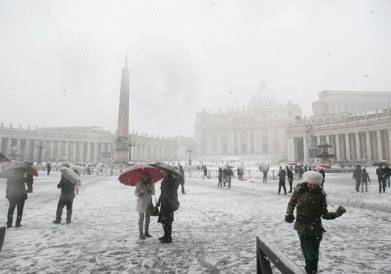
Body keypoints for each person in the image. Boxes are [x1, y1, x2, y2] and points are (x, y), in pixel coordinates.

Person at [285, 171, 346, 274]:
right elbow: (291, 203)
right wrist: (289, 214)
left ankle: (313, 271)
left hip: (316, 228)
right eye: (310, 184)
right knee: (309, 256)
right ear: (307, 182)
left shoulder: (321, 195)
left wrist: (337, 214)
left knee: (315, 254)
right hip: (302, 227)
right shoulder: (299, 191)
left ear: (318, 184)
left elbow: (324, 214)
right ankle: (310, 271)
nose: (312, 186)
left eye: (315, 185)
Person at [157, 171, 178, 243]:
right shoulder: (164, 180)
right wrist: (159, 201)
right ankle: (165, 235)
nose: (164, 173)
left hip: (169, 203)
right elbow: (162, 192)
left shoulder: (173, 180)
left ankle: (169, 237)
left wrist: (167, 190)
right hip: (164, 202)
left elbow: (174, 191)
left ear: (168, 173)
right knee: (163, 220)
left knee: (168, 221)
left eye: (165, 172)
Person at [135, 171, 155, 240]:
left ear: (148, 176)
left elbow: (153, 192)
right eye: (143, 176)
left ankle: (146, 232)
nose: (144, 177)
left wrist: (151, 191)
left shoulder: (152, 183)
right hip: (141, 202)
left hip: (148, 202)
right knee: (141, 218)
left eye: (145, 176)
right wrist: (139, 194)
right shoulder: (139, 183)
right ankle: (141, 234)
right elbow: (136, 192)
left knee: (147, 218)